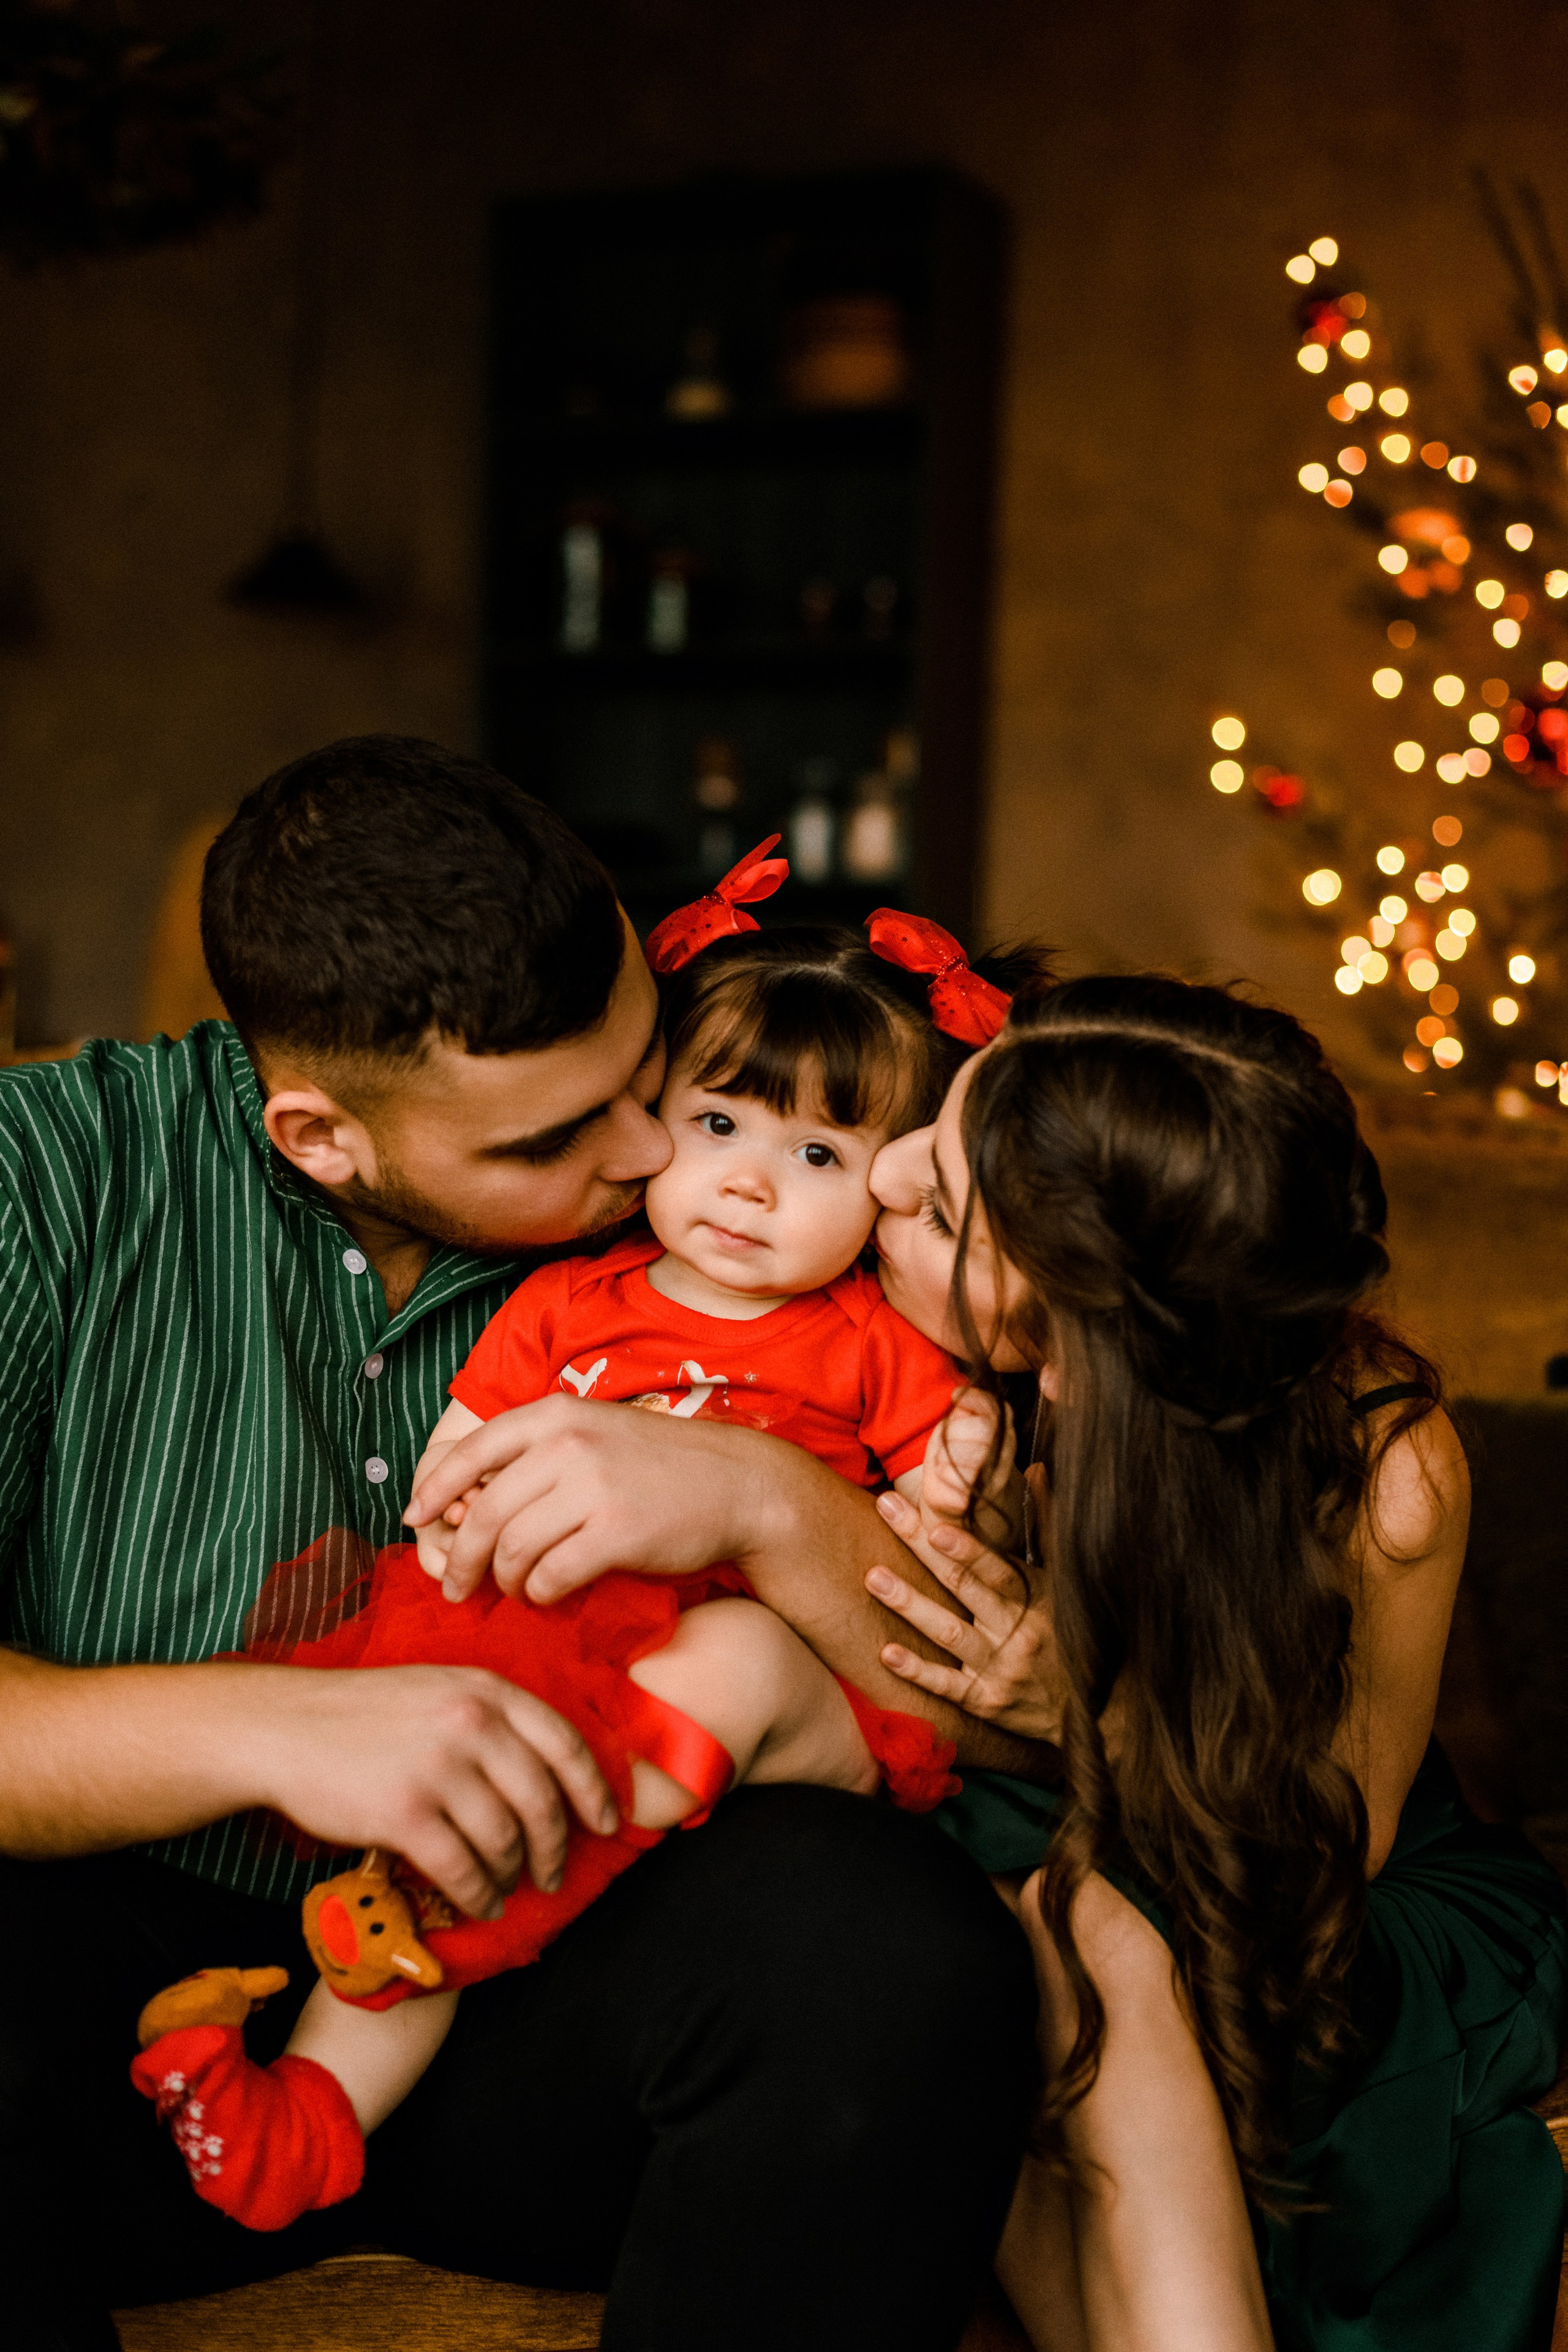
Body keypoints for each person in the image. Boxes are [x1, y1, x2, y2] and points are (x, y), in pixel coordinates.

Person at [0, 737, 1041, 2352]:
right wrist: (280, 1728)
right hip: (106, 1996)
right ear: (323, 1136)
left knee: (899, 1954)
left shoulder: (755, 1224)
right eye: (565, 1138)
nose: (648, 1160)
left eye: (651, 1083)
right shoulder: (45, 1184)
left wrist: (765, 1504)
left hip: (555, 1967)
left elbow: (1020, 1723)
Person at [130, 914, 1017, 2234]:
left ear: (891, 1191)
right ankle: (303, 2117)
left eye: (819, 1154)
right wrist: (445, 1568)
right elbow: (458, 1468)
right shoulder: (569, 1302)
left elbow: (940, 1541)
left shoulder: (873, 1342)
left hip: (774, 1701)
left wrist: (951, 1481)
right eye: (718, 1126)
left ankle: (472, 1899)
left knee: (729, 1663)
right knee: (449, 1770)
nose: (749, 1185)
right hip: (565, 1670)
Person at [842, 972, 1567, 2352]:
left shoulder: (1381, 1468)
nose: (877, 1176)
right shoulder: (893, 1337)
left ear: (1069, 1352)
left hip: (1315, 1896)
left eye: (937, 1202)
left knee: (1048, 1930)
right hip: (1082, 1844)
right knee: (955, 1937)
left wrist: (1089, 1718)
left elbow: (1324, 1851)